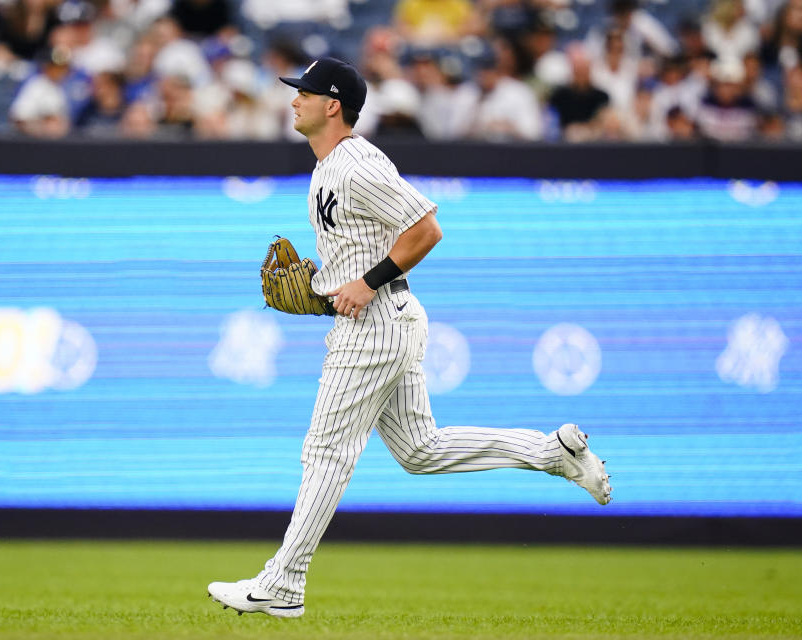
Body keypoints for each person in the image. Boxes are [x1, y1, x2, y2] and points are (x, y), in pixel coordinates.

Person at [206, 56, 612, 619]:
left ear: (333, 105)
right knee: (420, 450)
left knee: (326, 452)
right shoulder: (328, 166)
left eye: (305, 92)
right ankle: (552, 451)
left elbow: (427, 228)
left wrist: (367, 284)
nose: (294, 99)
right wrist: (333, 292)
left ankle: (284, 582)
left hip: (376, 328)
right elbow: (364, 254)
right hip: (385, 322)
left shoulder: (357, 164)